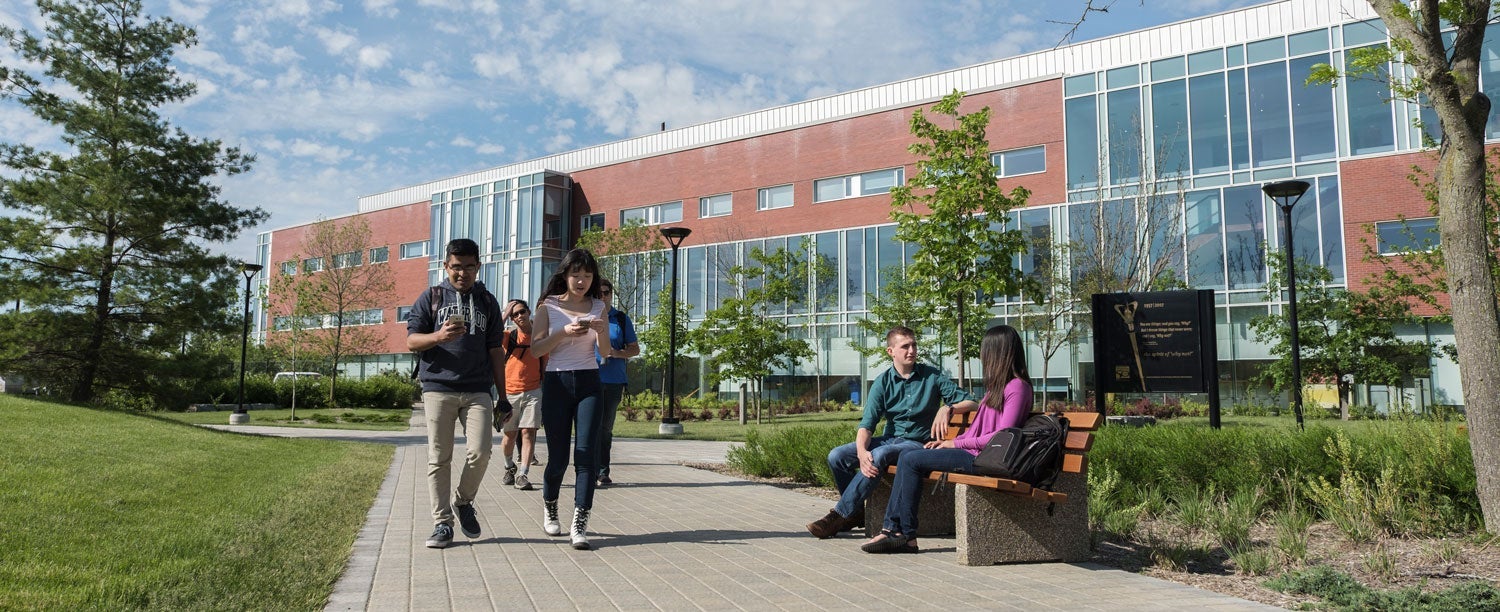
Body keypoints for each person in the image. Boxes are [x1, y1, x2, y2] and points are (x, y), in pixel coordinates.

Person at [861, 324, 1033, 554]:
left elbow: (1003, 436)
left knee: (911, 459)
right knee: (911, 456)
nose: (983, 357)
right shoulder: (998, 388)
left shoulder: (1017, 388)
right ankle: (899, 532)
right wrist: (946, 443)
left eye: (986, 351)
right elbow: (978, 431)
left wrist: (956, 443)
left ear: (999, 353)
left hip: (985, 459)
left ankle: (901, 533)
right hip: (974, 453)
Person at [807, 326, 977, 538]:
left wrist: (948, 408)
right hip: (889, 439)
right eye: (905, 346)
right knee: (837, 456)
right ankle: (856, 513)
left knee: (879, 455)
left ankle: (838, 516)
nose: (912, 350)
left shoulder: (931, 376)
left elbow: (972, 402)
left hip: (917, 444)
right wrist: (861, 451)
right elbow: (867, 425)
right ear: (891, 351)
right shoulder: (883, 382)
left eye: (914, 345)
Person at [405, 238, 507, 549]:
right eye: (456, 267)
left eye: (469, 267)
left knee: (481, 451)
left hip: (478, 389)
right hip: (438, 387)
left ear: (478, 267)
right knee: (440, 458)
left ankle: (463, 502)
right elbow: (412, 341)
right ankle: (442, 523)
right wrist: (438, 336)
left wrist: (502, 396)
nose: (462, 273)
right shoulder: (431, 296)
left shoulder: (488, 302)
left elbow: (496, 351)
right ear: (446, 266)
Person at [528, 248, 611, 550]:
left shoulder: (598, 305)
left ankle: (580, 522)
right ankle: (550, 505)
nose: (581, 281)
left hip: (589, 382)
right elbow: (537, 350)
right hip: (557, 383)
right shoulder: (547, 306)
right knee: (558, 458)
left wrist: (602, 332)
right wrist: (563, 331)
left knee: (586, 453)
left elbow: (606, 352)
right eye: (576, 274)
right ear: (564, 274)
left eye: (587, 276)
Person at [594, 278, 639, 486]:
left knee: (605, 428)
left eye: (605, 292)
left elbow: (635, 349)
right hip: (589, 379)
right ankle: (587, 470)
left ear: (611, 294)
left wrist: (616, 352)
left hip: (613, 381)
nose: (602, 296)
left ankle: (602, 471)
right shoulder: (588, 318)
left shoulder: (621, 319)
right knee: (589, 426)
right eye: (598, 293)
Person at [496, 299, 544, 491]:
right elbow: (491, 335)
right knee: (509, 435)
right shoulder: (509, 336)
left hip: (533, 391)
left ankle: (523, 474)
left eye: (521, 312)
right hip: (509, 393)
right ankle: (509, 467)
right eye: (514, 314)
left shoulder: (540, 337)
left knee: (528, 432)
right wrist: (505, 314)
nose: (519, 316)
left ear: (529, 311)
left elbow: (545, 364)